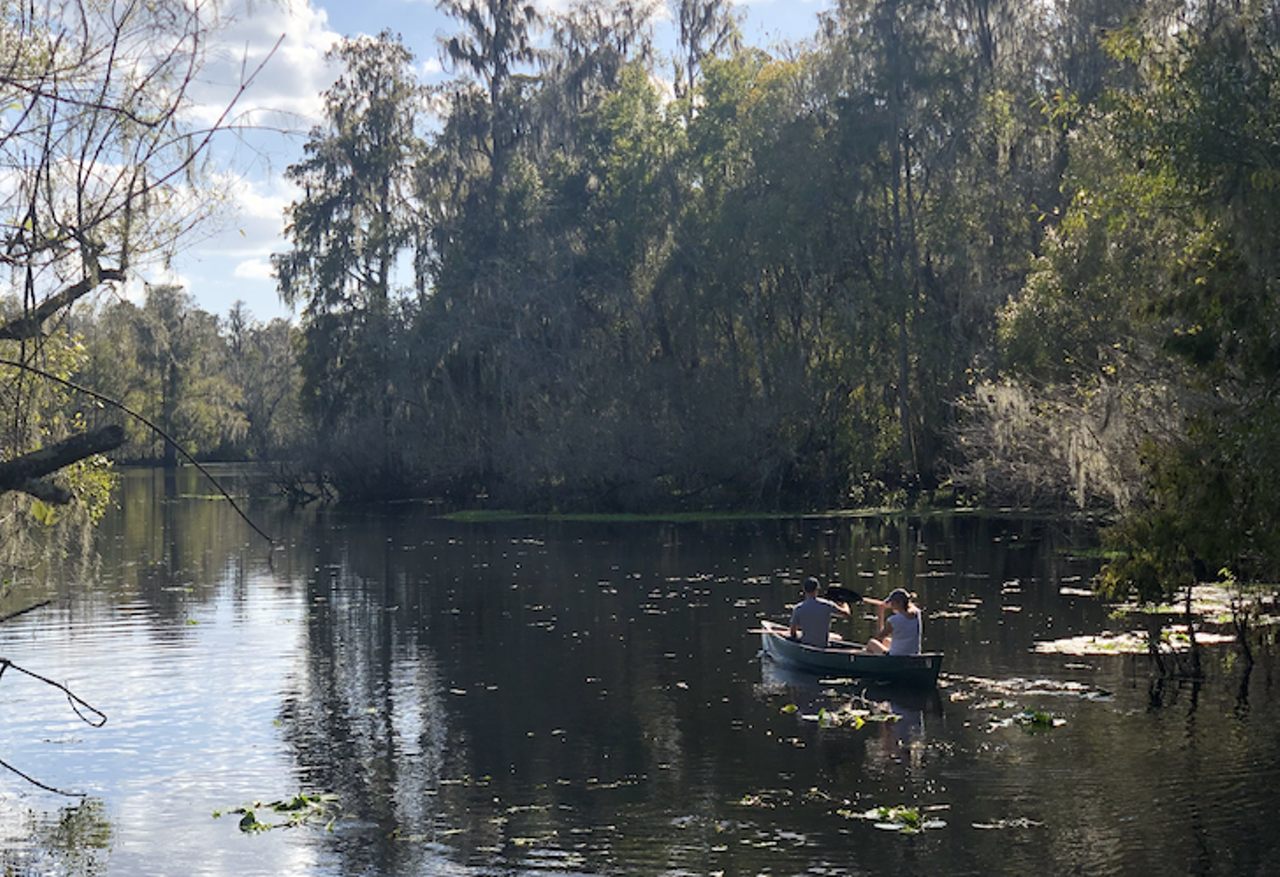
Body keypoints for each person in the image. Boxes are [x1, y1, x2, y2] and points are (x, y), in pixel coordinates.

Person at [789, 577, 850, 647]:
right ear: (817, 590)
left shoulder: (798, 608)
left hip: (806, 644)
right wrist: (845, 604)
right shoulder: (827, 604)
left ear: (804, 589)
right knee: (837, 637)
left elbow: (792, 632)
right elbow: (846, 614)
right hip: (823, 645)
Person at [864, 588, 921, 655]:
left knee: (872, 642)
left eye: (892, 602)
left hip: (895, 656)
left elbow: (879, 636)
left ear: (899, 602)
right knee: (886, 641)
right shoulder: (917, 613)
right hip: (913, 653)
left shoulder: (894, 620)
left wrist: (880, 612)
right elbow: (910, 606)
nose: (891, 605)